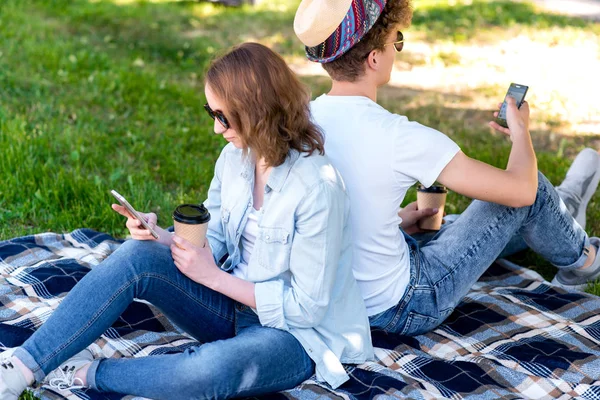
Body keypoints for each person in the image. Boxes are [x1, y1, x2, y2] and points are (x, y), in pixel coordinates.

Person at [0, 42, 373, 399]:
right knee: (136, 254)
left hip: (297, 336)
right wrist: (159, 235)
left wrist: (213, 277)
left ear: (258, 111)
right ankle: (22, 368)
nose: (216, 127)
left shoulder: (317, 188)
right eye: (211, 113)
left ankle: (83, 374)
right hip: (230, 303)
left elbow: (308, 307)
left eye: (224, 116)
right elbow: (215, 240)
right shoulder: (234, 159)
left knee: (209, 372)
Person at [293, 0, 600, 336]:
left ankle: (562, 213)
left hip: (337, 302)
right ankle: (584, 258)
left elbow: (325, 215)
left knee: (448, 224)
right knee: (531, 192)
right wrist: (521, 133)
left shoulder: (300, 122)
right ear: (374, 57)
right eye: (397, 40)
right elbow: (520, 190)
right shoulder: (398, 135)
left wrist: (396, 221)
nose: (398, 50)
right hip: (404, 306)